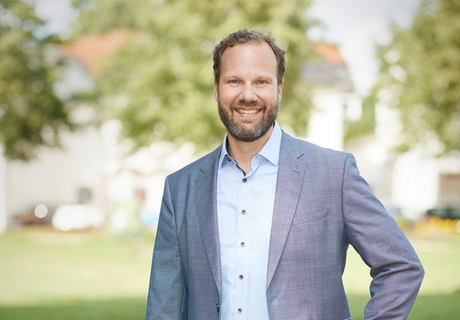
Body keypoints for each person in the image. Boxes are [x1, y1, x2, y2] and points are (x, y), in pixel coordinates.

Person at [146, 29, 424, 319]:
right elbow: (164, 304)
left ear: (279, 88)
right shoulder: (181, 188)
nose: (248, 95)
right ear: (216, 88)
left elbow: (400, 266)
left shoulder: (333, 174)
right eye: (234, 81)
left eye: (261, 82)